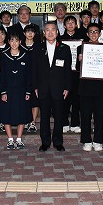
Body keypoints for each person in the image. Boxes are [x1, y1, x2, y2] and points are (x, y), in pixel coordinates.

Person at [32, 21, 72, 152]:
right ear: (44, 33)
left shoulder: (64, 48)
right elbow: (34, 69)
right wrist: (35, 87)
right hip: (42, 88)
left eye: (53, 30)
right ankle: (45, 142)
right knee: (44, 117)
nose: (50, 32)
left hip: (59, 88)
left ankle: (58, 142)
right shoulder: (37, 48)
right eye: (47, 30)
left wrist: (67, 87)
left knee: (59, 116)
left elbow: (67, 70)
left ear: (57, 32)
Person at [77, 23, 103, 151]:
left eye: (96, 32)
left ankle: (98, 140)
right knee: (85, 116)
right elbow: (75, 68)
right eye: (91, 32)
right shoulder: (81, 48)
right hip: (85, 88)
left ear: (100, 34)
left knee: (99, 117)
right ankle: (86, 140)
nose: (94, 34)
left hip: (100, 88)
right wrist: (80, 61)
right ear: (87, 34)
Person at [0, 33, 32, 149]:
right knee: (6, 115)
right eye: (11, 40)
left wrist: (28, 91)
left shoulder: (26, 56)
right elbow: (1, 76)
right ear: (8, 42)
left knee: (21, 115)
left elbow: (29, 76)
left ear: (20, 42)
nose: (14, 43)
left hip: (21, 92)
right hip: (7, 92)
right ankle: (10, 140)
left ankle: (18, 139)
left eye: (16, 40)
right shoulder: (3, 57)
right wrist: (3, 92)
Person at [59, 15, 82, 134]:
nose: (70, 25)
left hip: (78, 73)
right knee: (65, 99)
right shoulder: (60, 40)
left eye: (73, 22)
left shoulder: (82, 40)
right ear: (64, 25)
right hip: (64, 74)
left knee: (77, 99)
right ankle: (64, 122)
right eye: (68, 23)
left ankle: (75, 123)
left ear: (76, 25)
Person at [21, 24, 40, 133]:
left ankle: (32, 122)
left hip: (35, 78)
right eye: (27, 32)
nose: (29, 34)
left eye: (32, 32)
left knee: (35, 101)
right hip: (22, 78)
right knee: (24, 100)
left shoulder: (39, 47)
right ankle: (24, 121)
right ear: (24, 34)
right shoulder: (19, 46)